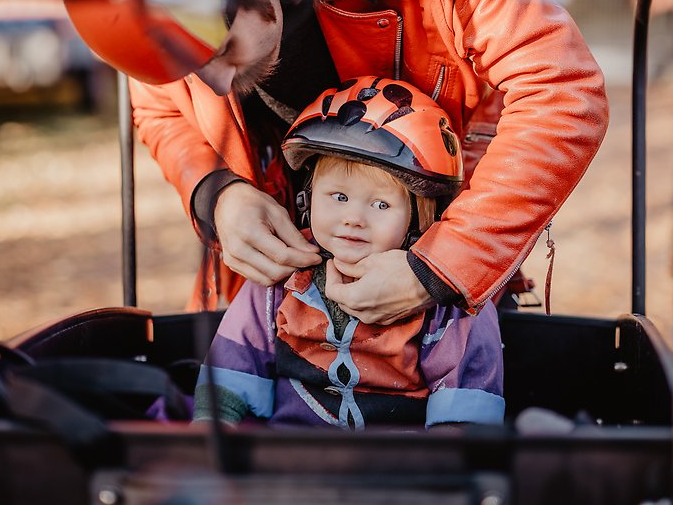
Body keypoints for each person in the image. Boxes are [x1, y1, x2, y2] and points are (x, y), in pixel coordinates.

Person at [59, 0, 609, 323]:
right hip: (271, 298)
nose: (220, 86)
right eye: (191, 73)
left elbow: (562, 90)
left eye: (224, 51)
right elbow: (158, 106)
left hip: (437, 264)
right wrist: (217, 193)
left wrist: (441, 267)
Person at [193, 77, 504, 429]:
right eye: (338, 197)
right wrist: (213, 426)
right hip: (289, 459)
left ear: (421, 217)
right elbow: (236, 361)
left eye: (381, 204)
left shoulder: (443, 300)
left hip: (401, 469)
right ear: (307, 200)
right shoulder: (283, 276)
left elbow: (463, 400)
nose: (354, 218)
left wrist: (446, 465)